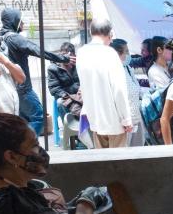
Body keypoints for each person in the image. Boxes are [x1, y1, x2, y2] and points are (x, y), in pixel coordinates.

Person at [0, 9, 72, 135]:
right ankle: (26, 145)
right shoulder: (15, 38)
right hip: (23, 89)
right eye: (21, 21)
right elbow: (38, 50)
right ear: (14, 21)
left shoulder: (2, 37)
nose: (23, 24)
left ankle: (22, 147)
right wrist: (63, 58)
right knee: (39, 118)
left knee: (22, 122)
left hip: (11, 88)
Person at [76, 19, 134, 148]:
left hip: (95, 121)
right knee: (118, 164)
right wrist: (126, 119)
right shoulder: (110, 54)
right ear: (110, 34)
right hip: (114, 122)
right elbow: (119, 90)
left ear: (91, 32)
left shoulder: (81, 53)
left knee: (102, 163)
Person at [112, 38, 145, 147]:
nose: (128, 55)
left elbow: (137, 90)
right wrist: (125, 121)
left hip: (136, 117)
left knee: (138, 150)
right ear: (117, 54)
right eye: (126, 52)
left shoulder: (127, 68)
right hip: (124, 123)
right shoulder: (113, 72)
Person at [48, 42, 81, 118]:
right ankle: (68, 126)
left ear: (74, 56)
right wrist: (69, 96)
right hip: (65, 96)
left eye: (70, 55)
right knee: (60, 102)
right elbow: (54, 89)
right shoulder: (53, 68)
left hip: (79, 95)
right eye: (64, 55)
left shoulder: (79, 65)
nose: (67, 57)